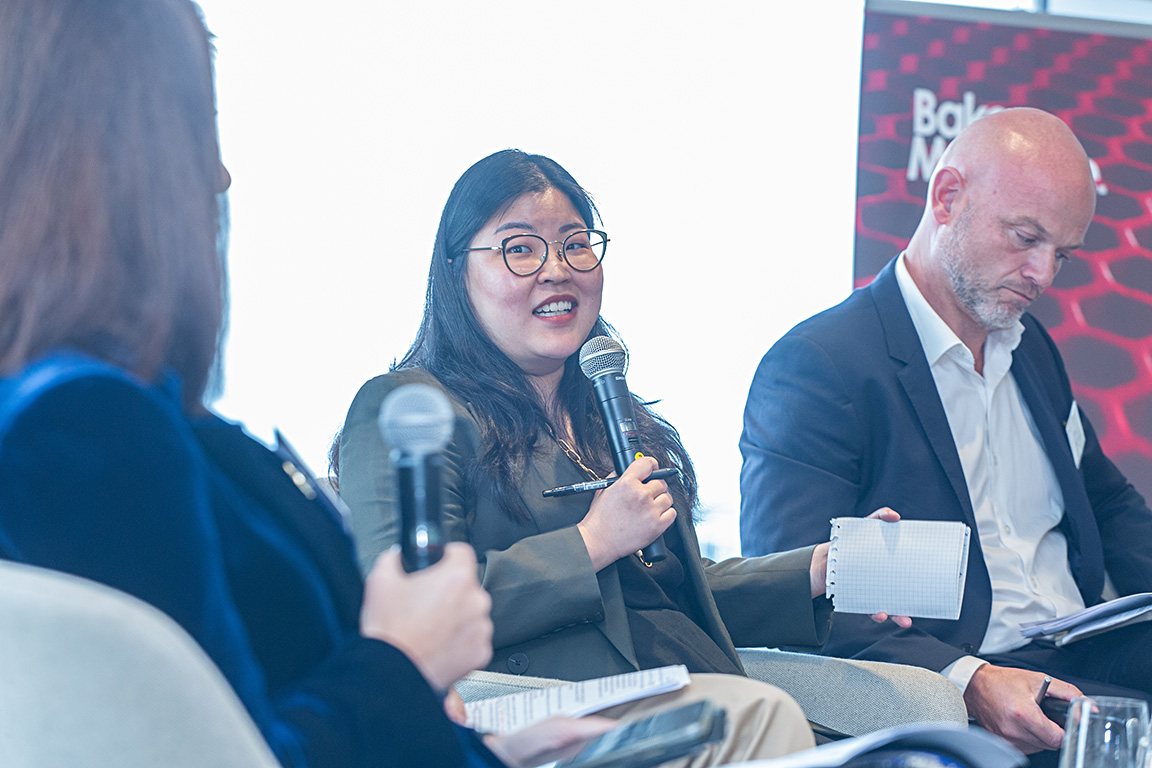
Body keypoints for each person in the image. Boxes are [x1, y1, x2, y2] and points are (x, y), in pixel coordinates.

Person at [0, 3, 614, 767]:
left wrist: (486, 748)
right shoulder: (84, 428)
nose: (220, 175)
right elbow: (219, 753)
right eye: (198, 124)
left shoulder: (115, 415)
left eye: (575, 245)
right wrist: (405, 661)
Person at [337, 148, 909, 765]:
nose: (557, 270)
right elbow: (406, 611)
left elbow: (666, 594)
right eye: (521, 249)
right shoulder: (410, 408)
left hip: (686, 688)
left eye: (575, 244)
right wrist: (590, 543)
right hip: (550, 716)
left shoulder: (609, 417)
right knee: (758, 716)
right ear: (457, 272)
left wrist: (817, 571)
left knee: (913, 735)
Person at [738, 106, 1152, 758]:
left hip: (1074, 646)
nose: (1043, 275)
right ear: (947, 197)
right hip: (959, 667)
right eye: (1025, 237)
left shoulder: (1031, 350)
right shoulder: (820, 366)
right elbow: (792, 592)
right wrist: (967, 679)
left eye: (1062, 255)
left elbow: (1107, 502)